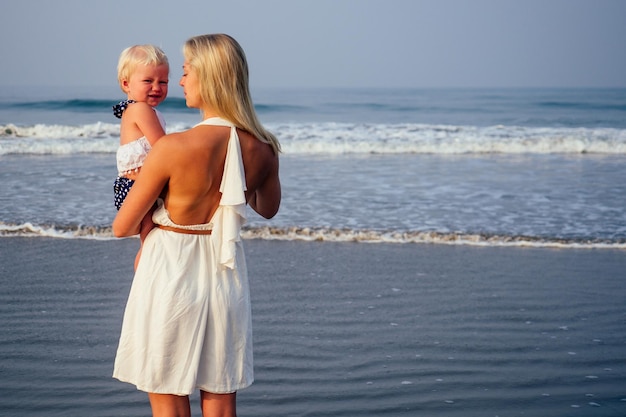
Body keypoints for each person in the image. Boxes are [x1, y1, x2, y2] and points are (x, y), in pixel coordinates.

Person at [112, 34, 281, 417]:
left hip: (170, 268)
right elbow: (267, 208)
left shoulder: (172, 147)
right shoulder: (264, 147)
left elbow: (122, 226)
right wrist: (239, 174)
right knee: (220, 394)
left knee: (167, 390)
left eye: (186, 72)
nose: (182, 82)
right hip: (225, 271)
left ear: (209, 77)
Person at [113, 44, 169, 269]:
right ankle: (143, 279)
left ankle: (147, 277)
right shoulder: (140, 110)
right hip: (135, 186)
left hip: (142, 184)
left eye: (163, 82)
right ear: (126, 84)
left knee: (152, 236)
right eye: (148, 81)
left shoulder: (147, 110)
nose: (157, 87)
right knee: (150, 237)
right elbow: (163, 146)